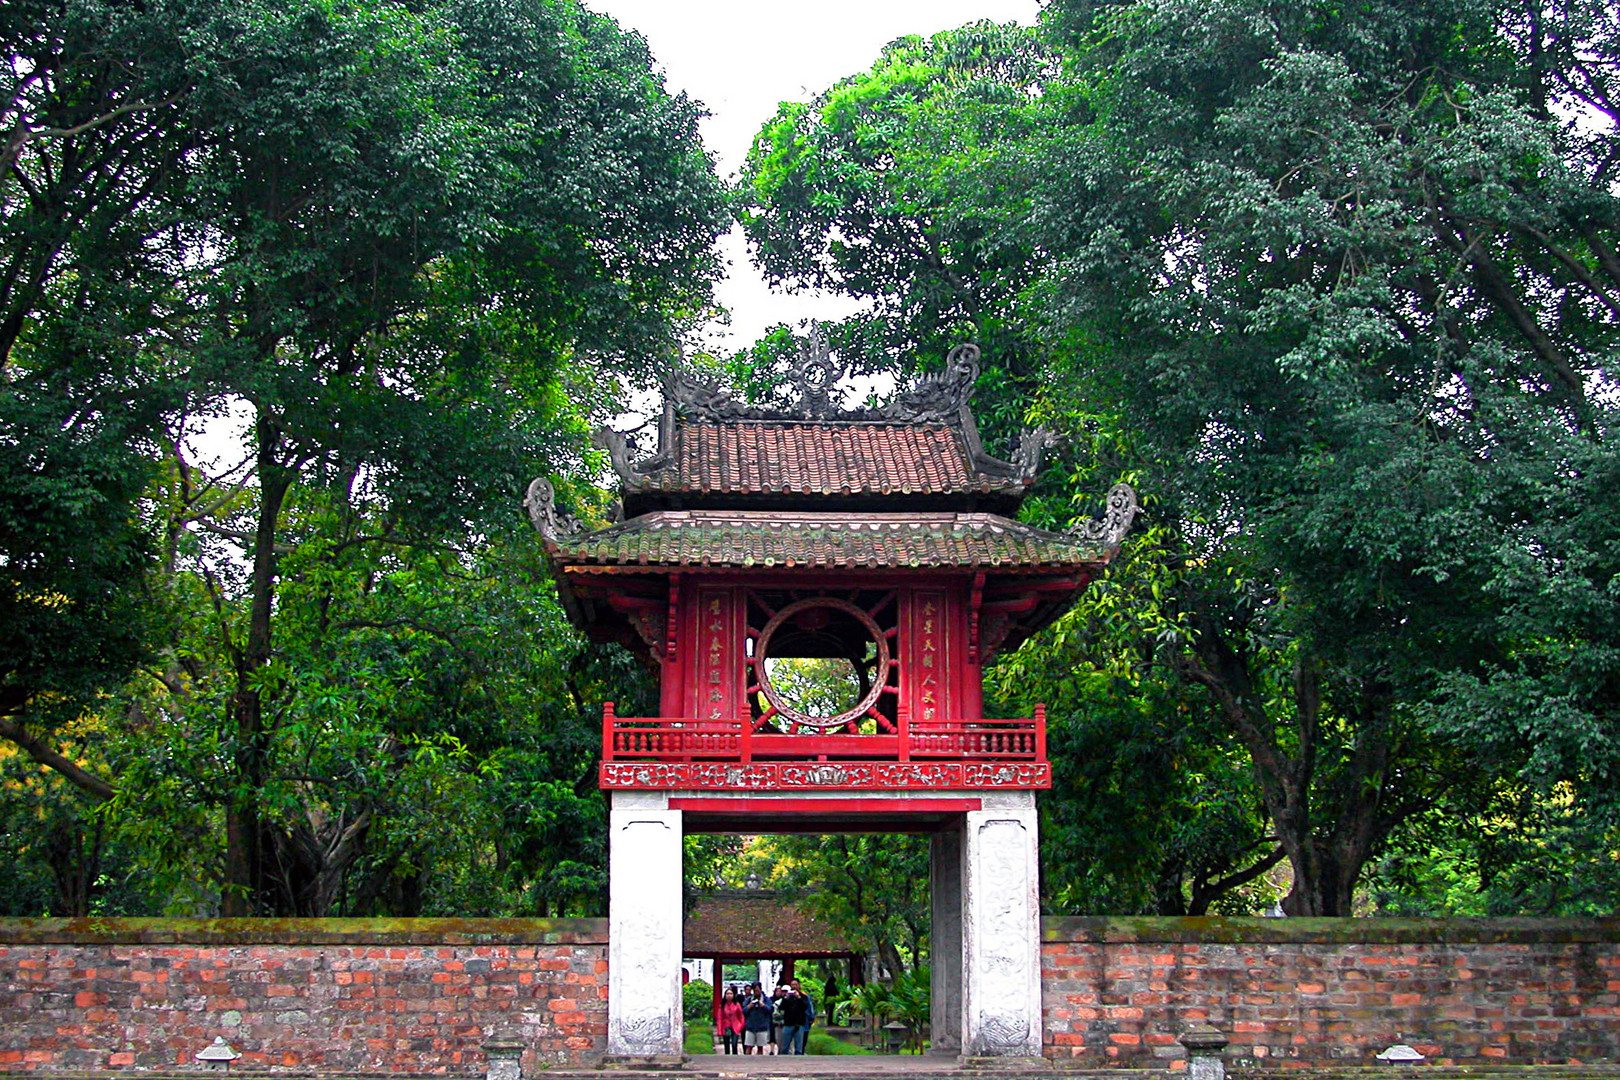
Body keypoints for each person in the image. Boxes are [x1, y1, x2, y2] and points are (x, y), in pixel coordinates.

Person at [778, 979, 811, 1055]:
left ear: (799, 986)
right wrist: (786, 998)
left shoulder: (803, 997)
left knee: (798, 1047)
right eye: (792, 985)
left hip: (799, 1024)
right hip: (788, 1023)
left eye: (796, 985)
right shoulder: (787, 997)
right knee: (784, 1047)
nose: (794, 986)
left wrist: (798, 997)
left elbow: (805, 1007)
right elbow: (781, 1007)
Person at [742, 984, 773, 1056]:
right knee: (748, 1046)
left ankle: (759, 1062)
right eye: (755, 991)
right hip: (750, 1027)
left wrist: (763, 1006)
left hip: (762, 1027)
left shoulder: (766, 999)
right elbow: (743, 1011)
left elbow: (770, 1010)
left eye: (758, 990)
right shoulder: (749, 999)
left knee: (760, 1047)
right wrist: (749, 1006)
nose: (757, 992)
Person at [715, 987, 744, 1056]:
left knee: (734, 1044)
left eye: (731, 994)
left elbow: (741, 1016)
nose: (729, 995)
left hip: (735, 1026)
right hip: (726, 1026)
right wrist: (719, 1030)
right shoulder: (722, 1006)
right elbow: (719, 1018)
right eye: (727, 994)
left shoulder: (737, 1004)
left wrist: (741, 1026)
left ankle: (735, 1058)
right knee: (727, 1045)